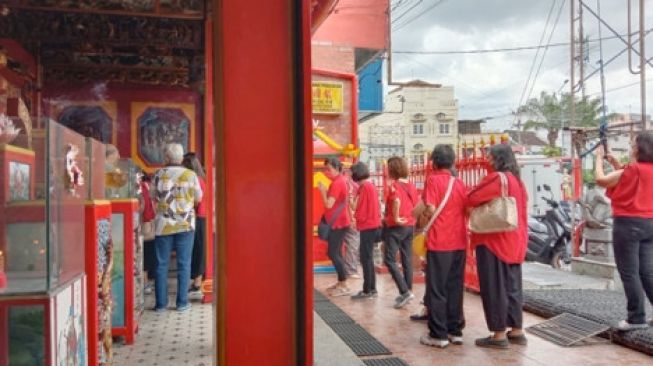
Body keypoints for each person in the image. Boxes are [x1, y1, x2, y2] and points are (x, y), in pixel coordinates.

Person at [467, 144, 528, 349]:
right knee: (512, 285)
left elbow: (472, 198)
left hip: (494, 240)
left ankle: (498, 333)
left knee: (494, 286)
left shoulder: (496, 179)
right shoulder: (517, 181)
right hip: (515, 239)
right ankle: (516, 329)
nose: (487, 160)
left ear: (496, 159)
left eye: (489, 157)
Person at [595, 132, 653, 330]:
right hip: (650, 224)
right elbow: (631, 181)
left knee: (629, 272)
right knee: (647, 272)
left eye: (632, 144)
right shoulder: (643, 169)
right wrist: (617, 165)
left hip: (628, 224)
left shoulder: (632, 169)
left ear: (639, 148)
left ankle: (636, 318)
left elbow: (602, 180)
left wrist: (597, 161)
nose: (630, 147)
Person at [412, 145, 467, 348]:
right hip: (460, 241)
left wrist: (419, 216)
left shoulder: (433, 179)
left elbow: (431, 207)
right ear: (452, 162)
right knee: (455, 287)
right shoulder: (458, 183)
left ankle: (438, 334)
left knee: (437, 288)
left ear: (433, 161)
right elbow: (467, 209)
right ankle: (455, 330)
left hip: (439, 241)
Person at [151, 143, 203, 312]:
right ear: (181, 158)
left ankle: (161, 304)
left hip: (163, 224)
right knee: (184, 264)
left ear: (166, 158)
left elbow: (153, 196)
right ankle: (181, 303)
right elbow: (198, 197)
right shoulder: (191, 175)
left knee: (161, 264)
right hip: (185, 224)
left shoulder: (158, 174)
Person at [383, 156, 419, 309]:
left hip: (397, 226)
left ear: (392, 169)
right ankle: (408, 289)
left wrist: (396, 217)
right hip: (409, 225)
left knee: (389, 259)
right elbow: (416, 204)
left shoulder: (394, 185)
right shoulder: (410, 185)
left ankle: (404, 291)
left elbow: (396, 200)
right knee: (406, 257)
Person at [317, 157, 351, 296]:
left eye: (329, 169)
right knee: (335, 253)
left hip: (339, 224)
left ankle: (344, 284)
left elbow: (329, 204)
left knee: (333, 253)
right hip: (339, 223)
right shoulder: (340, 181)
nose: (327, 172)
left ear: (337, 168)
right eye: (325, 169)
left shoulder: (337, 183)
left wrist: (322, 191)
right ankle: (341, 281)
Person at [349, 162, 381, 300]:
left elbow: (361, 209)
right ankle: (371, 288)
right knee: (367, 258)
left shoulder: (365, 187)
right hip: (370, 225)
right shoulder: (367, 186)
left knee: (365, 258)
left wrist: (356, 220)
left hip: (367, 225)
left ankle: (368, 289)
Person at [183, 152, 207, 300]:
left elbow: (197, 200)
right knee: (198, 249)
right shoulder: (201, 178)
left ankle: (197, 282)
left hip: (198, 217)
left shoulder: (195, 179)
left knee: (197, 249)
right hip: (201, 217)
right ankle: (196, 281)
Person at [139, 173, 156, 295]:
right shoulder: (145, 188)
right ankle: (145, 282)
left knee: (144, 251)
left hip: (143, 222)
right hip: (146, 223)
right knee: (146, 252)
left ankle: (145, 282)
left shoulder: (142, 187)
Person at [343, 169, 361, 279]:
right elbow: (353, 203)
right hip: (350, 217)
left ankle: (346, 268)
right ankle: (351, 269)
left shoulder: (338, 183)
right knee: (353, 243)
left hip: (340, 218)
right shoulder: (353, 185)